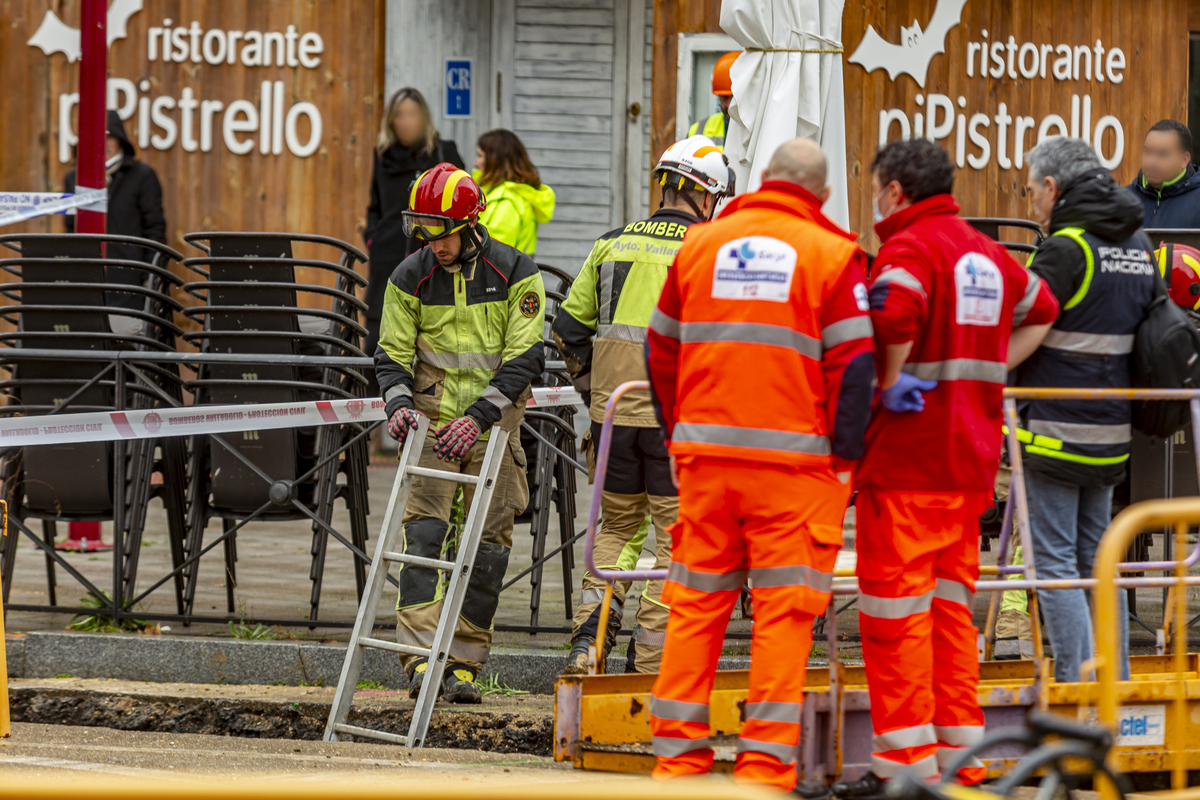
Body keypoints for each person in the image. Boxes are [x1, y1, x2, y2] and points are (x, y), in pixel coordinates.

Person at [645, 137, 875, 796]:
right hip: (794, 472)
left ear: (762, 180)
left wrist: (676, 431)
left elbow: (659, 348)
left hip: (706, 465)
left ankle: (676, 764)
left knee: (694, 607)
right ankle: (763, 771)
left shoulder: (699, 245)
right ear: (820, 194)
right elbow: (855, 370)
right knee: (782, 617)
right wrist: (845, 461)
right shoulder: (833, 256)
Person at [832, 139, 1057, 799]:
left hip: (907, 461)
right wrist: (988, 373)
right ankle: (965, 759)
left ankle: (905, 771)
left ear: (896, 191)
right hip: (969, 462)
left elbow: (895, 314)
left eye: (877, 191)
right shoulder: (986, 254)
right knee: (951, 613)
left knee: (893, 619)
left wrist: (886, 384)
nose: (876, 205)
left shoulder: (910, 248)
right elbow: (1042, 308)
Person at [552, 135, 731, 676]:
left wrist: (591, 393)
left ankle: (590, 643)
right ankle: (652, 661)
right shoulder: (711, 249)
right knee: (680, 540)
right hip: (678, 424)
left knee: (615, 529)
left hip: (612, 419)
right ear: (707, 196)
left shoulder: (612, 243)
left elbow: (566, 330)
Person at [374, 163, 545, 704]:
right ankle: (421, 660)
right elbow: (391, 354)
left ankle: (465, 663)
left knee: (488, 548)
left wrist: (478, 418)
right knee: (422, 541)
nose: (431, 242)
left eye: (440, 230)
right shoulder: (409, 276)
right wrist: (398, 403)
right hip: (432, 428)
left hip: (494, 431)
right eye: (422, 228)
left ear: (471, 225)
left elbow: (525, 359)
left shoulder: (517, 272)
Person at [1015, 137, 1156, 686]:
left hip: (1053, 433)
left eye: (1031, 193)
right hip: (1111, 433)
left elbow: (1024, 321)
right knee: (1098, 564)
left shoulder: (1065, 248)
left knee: (1053, 567)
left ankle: (1078, 689)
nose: (1031, 206)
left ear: (1052, 188)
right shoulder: (1139, 245)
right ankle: (1114, 687)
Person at [364, 88, 465, 390]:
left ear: (424, 118)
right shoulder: (382, 155)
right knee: (376, 344)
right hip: (387, 261)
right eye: (399, 115)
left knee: (430, 343)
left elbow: (463, 206)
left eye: (412, 114)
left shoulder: (444, 152)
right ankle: (365, 429)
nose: (406, 121)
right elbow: (375, 206)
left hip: (433, 258)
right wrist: (373, 238)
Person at [64, 109, 166, 312]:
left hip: (131, 286)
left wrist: (150, 281)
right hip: (86, 287)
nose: (104, 144)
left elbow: (155, 231)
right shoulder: (74, 179)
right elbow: (70, 231)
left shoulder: (142, 176)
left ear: (120, 140)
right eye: (96, 138)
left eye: (110, 137)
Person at [473, 129, 555, 256]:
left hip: (503, 274)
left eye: (480, 156)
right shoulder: (499, 194)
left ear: (495, 160)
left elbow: (494, 253)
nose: (475, 163)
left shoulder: (508, 200)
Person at [1126, 119, 1200, 229]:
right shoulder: (1124, 199)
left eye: (1162, 154)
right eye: (1148, 152)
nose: (1151, 162)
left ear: (1184, 160)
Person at [687, 51, 739, 151]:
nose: (728, 105)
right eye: (724, 98)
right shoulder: (698, 130)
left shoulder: (761, 130)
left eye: (733, 98)